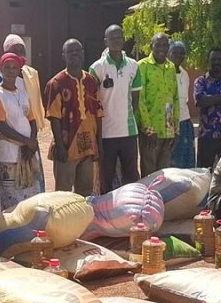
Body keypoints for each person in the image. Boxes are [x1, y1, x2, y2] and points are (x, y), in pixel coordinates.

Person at [45, 39, 102, 197]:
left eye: (78, 50)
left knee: (85, 192)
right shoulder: (56, 83)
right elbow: (53, 116)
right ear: (64, 56)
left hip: (88, 144)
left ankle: (81, 222)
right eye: (70, 51)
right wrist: (60, 147)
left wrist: (99, 143)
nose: (74, 54)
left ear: (83, 53)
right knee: (63, 194)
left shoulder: (91, 81)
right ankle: (63, 222)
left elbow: (98, 113)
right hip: (67, 144)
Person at [89, 24, 142, 193]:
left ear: (124, 39)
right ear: (106, 41)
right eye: (112, 38)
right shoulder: (97, 67)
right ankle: (107, 215)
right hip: (106, 133)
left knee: (131, 176)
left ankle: (131, 210)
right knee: (106, 177)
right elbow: (92, 102)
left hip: (128, 132)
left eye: (119, 37)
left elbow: (135, 101)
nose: (116, 41)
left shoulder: (133, 66)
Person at [0, 34, 47, 192]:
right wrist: (26, 141)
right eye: (15, 50)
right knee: (13, 195)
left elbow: (32, 113)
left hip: (30, 146)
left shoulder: (30, 75)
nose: (19, 53)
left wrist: (31, 141)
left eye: (22, 50)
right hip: (10, 147)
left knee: (33, 192)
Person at [137, 33, 179, 177]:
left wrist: (175, 128)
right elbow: (140, 99)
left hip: (167, 130)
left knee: (164, 175)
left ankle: (161, 200)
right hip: (151, 132)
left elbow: (174, 99)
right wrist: (148, 129)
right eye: (158, 45)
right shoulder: (142, 66)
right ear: (151, 46)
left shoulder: (171, 67)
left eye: (165, 45)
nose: (162, 49)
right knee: (149, 174)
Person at [168, 41, 196, 168]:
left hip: (185, 123)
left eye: (182, 53)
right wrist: (170, 127)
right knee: (171, 162)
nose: (179, 56)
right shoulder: (164, 73)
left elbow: (184, 100)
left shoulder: (184, 74)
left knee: (187, 162)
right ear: (169, 53)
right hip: (170, 123)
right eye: (175, 52)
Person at [194, 48, 221, 168]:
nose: (216, 62)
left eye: (219, 59)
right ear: (208, 61)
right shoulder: (201, 81)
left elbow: (206, 100)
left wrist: (211, 98)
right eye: (213, 59)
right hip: (207, 136)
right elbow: (200, 101)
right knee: (204, 173)